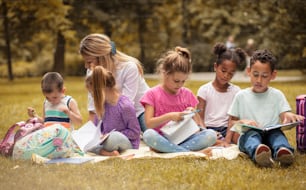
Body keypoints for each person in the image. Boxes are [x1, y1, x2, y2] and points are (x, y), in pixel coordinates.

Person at [227, 49, 305, 167]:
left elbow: (284, 114)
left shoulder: (277, 95)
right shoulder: (241, 96)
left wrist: (288, 115)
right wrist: (242, 122)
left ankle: (282, 152)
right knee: (252, 136)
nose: (259, 80)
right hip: (248, 135)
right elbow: (231, 122)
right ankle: (259, 152)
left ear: (273, 75)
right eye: (255, 75)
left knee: (277, 135)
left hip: (271, 132)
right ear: (248, 71)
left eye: (264, 76)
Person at [140, 46, 217, 153]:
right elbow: (149, 124)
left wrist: (193, 115)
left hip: (185, 138)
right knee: (148, 135)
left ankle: (171, 150)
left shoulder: (187, 94)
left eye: (183, 81)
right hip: (162, 138)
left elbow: (198, 127)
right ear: (165, 73)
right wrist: (170, 116)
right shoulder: (152, 94)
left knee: (211, 135)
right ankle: (188, 153)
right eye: (176, 81)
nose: (179, 85)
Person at [79, 33, 149, 132]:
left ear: (102, 57)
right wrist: (88, 134)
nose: (86, 66)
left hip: (140, 111)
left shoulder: (128, 68)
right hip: (112, 113)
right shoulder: (92, 72)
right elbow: (93, 110)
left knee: (150, 132)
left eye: (89, 61)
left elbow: (126, 105)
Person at [197, 43, 246, 146]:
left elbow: (233, 119)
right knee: (202, 134)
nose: (226, 75)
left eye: (231, 73)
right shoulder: (204, 90)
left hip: (228, 129)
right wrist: (206, 131)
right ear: (215, 66)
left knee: (241, 134)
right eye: (223, 71)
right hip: (208, 128)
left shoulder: (236, 91)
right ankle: (217, 142)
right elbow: (199, 118)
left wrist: (227, 140)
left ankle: (223, 143)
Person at [85, 66, 141, 156]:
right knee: (86, 142)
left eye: (93, 94)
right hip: (104, 141)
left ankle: (103, 150)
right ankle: (107, 152)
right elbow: (96, 129)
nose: (92, 97)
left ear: (100, 90)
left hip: (125, 142)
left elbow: (135, 132)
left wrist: (108, 135)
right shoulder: (102, 105)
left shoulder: (124, 106)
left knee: (113, 138)